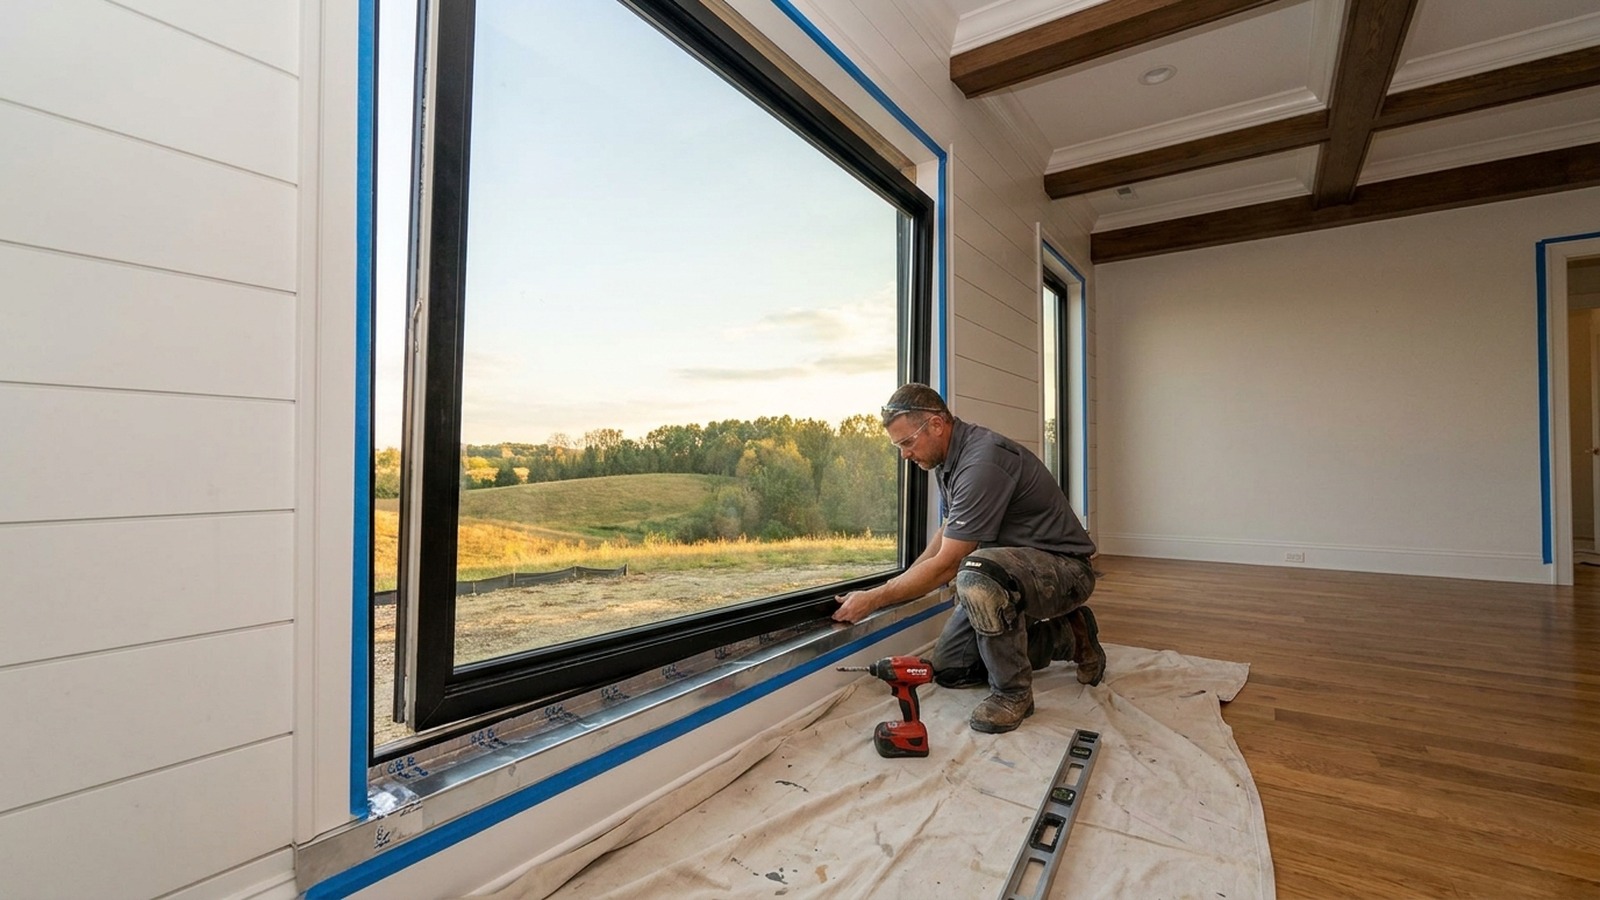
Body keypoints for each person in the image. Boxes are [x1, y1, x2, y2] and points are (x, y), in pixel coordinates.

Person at [833, 383, 1104, 734]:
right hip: (1011, 574)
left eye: (906, 443)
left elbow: (949, 563)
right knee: (951, 669)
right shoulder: (948, 462)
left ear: (935, 425)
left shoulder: (983, 460)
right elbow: (945, 536)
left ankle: (1012, 694)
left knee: (975, 573)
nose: (904, 455)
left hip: (1065, 571)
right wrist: (893, 586)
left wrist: (875, 599)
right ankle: (1069, 635)